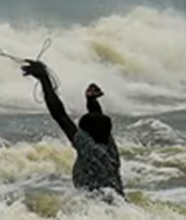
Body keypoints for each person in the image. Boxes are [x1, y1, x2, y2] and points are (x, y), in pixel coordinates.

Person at [22, 59, 124, 197]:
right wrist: (91, 100)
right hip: (118, 201)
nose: (78, 131)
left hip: (96, 207)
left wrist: (44, 79)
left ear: (86, 134)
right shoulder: (110, 147)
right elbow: (98, 119)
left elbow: (60, 115)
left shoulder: (87, 148)